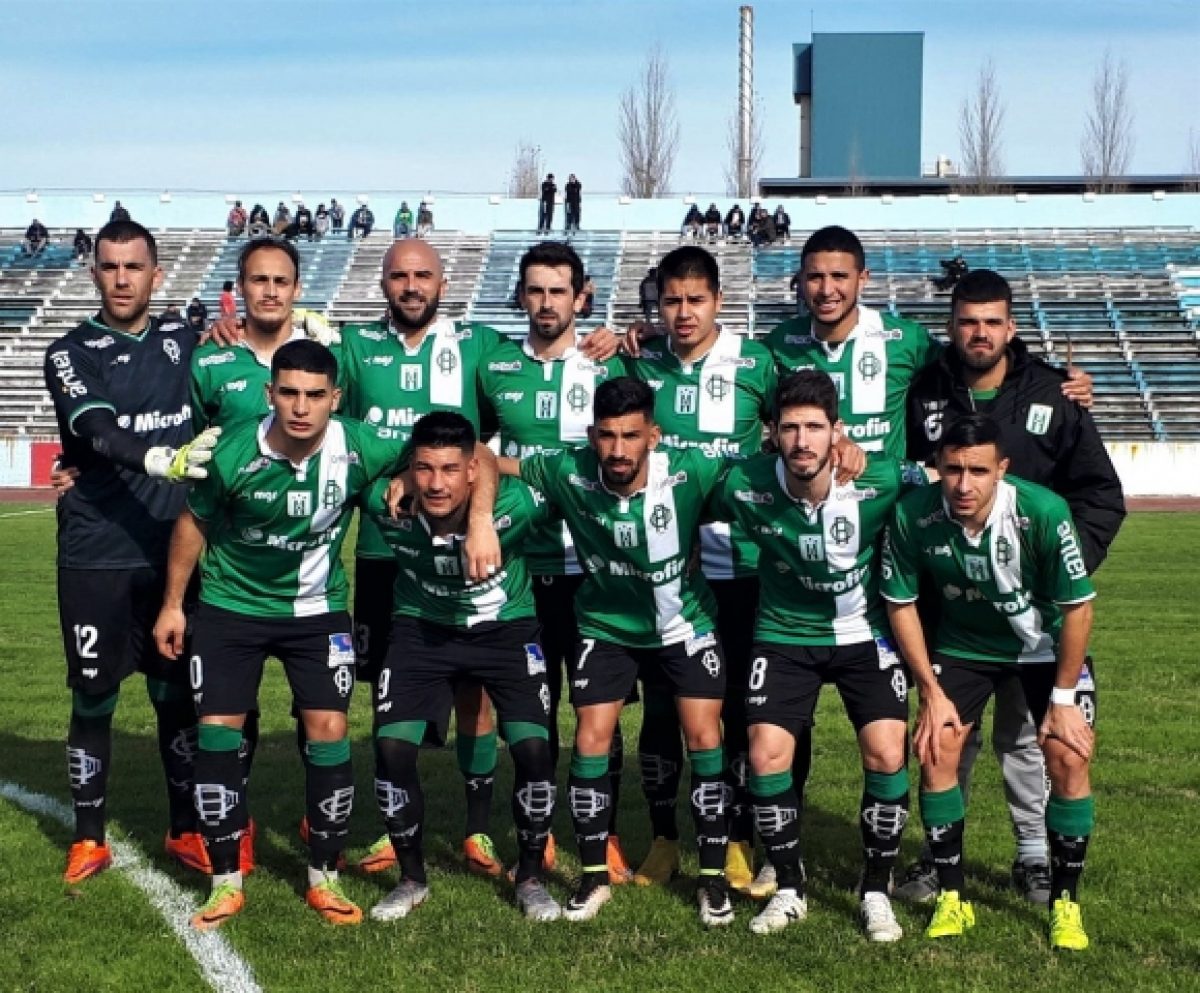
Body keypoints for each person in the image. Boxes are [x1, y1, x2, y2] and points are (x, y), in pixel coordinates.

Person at [153, 339, 410, 930]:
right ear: (269, 394)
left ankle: (323, 877)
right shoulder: (233, 449)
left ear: (335, 399)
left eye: (315, 395)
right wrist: (173, 605)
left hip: (316, 612)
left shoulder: (360, 444)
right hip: (229, 607)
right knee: (218, 734)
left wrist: (400, 482)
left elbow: (444, 448)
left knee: (329, 731)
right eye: (289, 392)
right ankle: (224, 883)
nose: (301, 407)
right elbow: (193, 522)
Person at [898, 268, 1125, 906]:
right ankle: (937, 857)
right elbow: (913, 486)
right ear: (952, 326)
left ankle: (1031, 858)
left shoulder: (1054, 393)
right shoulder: (925, 393)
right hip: (957, 612)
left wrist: (1065, 565)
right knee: (946, 738)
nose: (980, 333)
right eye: (968, 321)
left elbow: (1101, 494)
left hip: (1033, 618)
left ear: (1011, 327)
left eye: (992, 321)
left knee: (1026, 741)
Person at [501, 377, 734, 927]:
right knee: (590, 737)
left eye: (632, 436)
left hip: (685, 625)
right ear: (592, 435)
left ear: (653, 434)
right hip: (605, 626)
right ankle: (593, 877)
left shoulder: (692, 470)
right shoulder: (568, 469)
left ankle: (713, 879)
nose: (619, 450)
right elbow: (489, 464)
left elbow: (760, 479)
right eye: (607, 436)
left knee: (704, 738)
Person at [708, 370, 920, 941]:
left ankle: (877, 889)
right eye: (791, 427)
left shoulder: (879, 476)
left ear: (837, 432)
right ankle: (791, 887)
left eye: (816, 427)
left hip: (864, 634)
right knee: (766, 754)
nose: (803, 440)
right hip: (784, 633)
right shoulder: (744, 482)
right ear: (772, 432)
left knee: (885, 750)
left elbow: (950, 486)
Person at [42, 219, 218, 886]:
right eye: (110, 267)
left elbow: (233, 384)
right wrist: (157, 457)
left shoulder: (185, 338)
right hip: (97, 550)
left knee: (177, 696)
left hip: (172, 549)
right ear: (95, 273)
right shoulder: (69, 350)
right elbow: (93, 428)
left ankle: (185, 828)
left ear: (156, 273)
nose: (121, 278)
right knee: (94, 696)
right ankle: (88, 838)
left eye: (133, 267)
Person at [882, 413, 1099, 950]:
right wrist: (929, 692)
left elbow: (1078, 608)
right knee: (937, 748)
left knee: (1067, 755)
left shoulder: (1042, 511)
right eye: (952, 469)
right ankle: (953, 896)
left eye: (977, 470)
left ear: (1001, 468)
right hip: (964, 648)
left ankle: (1065, 904)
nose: (963, 484)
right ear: (937, 467)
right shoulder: (914, 514)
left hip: (1044, 647)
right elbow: (900, 602)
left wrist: (1065, 699)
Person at [621, 246, 778, 896]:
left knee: (736, 709)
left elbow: (802, 420)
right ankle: (663, 838)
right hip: (660, 575)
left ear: (717, 299)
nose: (682, 313)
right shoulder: (640, 364)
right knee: (661, 710)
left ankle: (738, 837)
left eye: (694, 300)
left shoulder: (758, 362)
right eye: (670, 301)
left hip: (738, 570)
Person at [366, 412, 561, 922]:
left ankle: (532, 878)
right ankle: (411, 879)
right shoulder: (388, 505)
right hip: (421, 627)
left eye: (450, 469)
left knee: (536, 750)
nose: (435, 483)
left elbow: (544, 473)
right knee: (391, 748)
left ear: (472, 471)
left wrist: (480, 518)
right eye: (425, 468)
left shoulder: (515, 507)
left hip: (506, 628)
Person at [477, 241, 629, 882]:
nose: (545, 303)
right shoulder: (493, 367)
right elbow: (476, 451)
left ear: (581, 296)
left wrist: (630, 336)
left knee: (600, 713)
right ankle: (533, 840)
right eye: (534, 290)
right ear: (520, 295)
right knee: (529, 714)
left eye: (557, 291)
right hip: (518, 569)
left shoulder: (609, 366)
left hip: (593, 569)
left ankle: (607, 833)